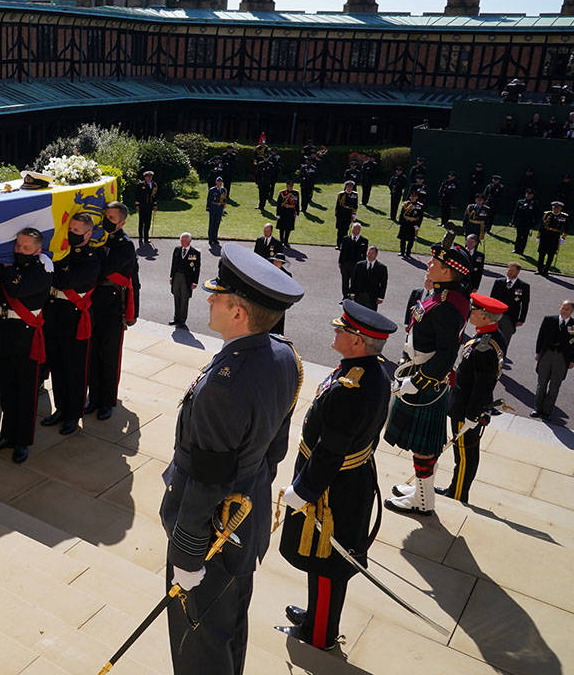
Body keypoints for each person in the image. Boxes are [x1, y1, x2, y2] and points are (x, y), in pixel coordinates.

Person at [160, 244, 304, 675]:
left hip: (210, 538)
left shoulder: (227, 384)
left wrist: (187, 557)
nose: (208, 299)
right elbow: (274, 447)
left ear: (239, 313)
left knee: (198, 645)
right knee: (228, 632)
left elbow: (206, 477)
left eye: (218, 296)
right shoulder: (282, 354)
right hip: (244, 520)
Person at [280, 301, 395, 651]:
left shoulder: (351, 388)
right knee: (321, 560)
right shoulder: (365, 371)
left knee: (329, 563)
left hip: (333, 490)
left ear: (358, 341)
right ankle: (317, 615)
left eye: (341, 330)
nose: (335, 332)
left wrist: (303, 491)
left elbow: (330, 451)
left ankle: (320, 635)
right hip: (345, 482)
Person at [385, 245, 473, 516]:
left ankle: (423, 502)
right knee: (423, 446)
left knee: (424, 447)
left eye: (435, 262)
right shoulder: (445, 295)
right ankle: (423, 492)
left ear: (448, 272)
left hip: (425, 380)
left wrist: (416, 381)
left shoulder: (448, 306)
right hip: (421, 372)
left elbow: (446, 354)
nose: (429, 263)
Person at [436, 294, 507, 504]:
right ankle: (456, 487)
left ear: (485, 316)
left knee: (465, 456)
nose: (471, 313)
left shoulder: (484, 347)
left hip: (466, 407)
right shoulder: (489, 337)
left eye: (475, 311)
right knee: (465, 454)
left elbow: (482, 385)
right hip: (466, 402)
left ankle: (458, 492)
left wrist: (472, 415)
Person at [0, 228, 54, 464]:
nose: (18, 250)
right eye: (17, 246)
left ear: (38, 251)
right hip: (6, 332)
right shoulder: (13, 267)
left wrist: (7, 270)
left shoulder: (42, 270)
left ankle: (22, 441)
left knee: (25, 391)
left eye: (25, 248)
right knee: (6, 387)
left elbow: (17, 289)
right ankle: (7, 434)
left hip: (27, 335)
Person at [41, 213, 102, 435]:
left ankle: (73, 415)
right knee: (57, 366)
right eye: (71, 229)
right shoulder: (62, 254)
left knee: (75, 370)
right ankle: (61, 409)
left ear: (88, 234)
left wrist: (61, 265)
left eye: (77, 231)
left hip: (76, 319)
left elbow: (68, 280)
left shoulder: (92, 258)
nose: (72, 234)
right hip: (56, 314)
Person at [87, 202, 140, 421]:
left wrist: (133, 312)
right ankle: (94, 397)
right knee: (92, 352)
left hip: (112, 303)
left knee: (109, 355)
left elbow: (104, 270)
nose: (107, 220)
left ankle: (107, 401)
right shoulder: (98, 239)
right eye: (105, 216)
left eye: (112, 217)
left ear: (122, 222)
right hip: (93, 302)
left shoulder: (125, 245)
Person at [532, 299, 574, 420]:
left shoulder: (573, 325)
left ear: (572, 311)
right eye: (563, 307)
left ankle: (547, 411)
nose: (564, 311)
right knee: (541, 384)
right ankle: (537, 408)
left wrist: (572, 360)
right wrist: (538, 352)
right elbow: (541, 336)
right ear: (559, 307)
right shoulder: (549, 320)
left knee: (555, 386)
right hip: (546, 355)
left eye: (568, 309)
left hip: (562, 359)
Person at [490, 263, 530, 363]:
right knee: (492, 338)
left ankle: (499, 361)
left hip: (510, 318)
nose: (509, 272)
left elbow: (525, 304)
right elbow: (491, 299)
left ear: (518, 272)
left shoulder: (523, 286)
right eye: (508, 270)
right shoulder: (499, 282)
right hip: (496, 316)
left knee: (504, 340)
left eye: (512, 270)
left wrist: (522, 319)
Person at [169, 232, 200, 328]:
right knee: (176, 296)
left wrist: (195, 282)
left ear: (189, 241)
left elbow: (196, 268)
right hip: (177, 276)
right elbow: (173, 264)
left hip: (187, 279)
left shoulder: (194, 253)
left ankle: (182, 320)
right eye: (181, 240)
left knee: (184, 299)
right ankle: (176, 318)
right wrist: (171, 277)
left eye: (184, 240)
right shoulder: (177, 250)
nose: (182, 242)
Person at [537, 200, 568, 276]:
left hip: (555, 237)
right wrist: (538, 236)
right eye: (554, 207)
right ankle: (539, 269)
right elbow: (541, 226)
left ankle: (546, 270)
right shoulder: (547, 214)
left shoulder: (564, 216)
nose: (555, 209)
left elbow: (566, 228)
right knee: (541, 254)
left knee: (551, 255)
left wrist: (563, 238)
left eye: (557, 208)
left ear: (560, 209)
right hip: (545, 236)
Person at [350, 245, 387, 310]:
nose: (369, 255)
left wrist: (381, 297)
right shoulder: (359, 265)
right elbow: (353, 280)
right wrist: (352, 292)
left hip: (372, 297)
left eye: (372, 253)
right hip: (359, 296)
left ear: (376, 254)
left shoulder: (382, 268)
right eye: (368, 253)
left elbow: (383, 284)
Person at [337, 222, 368, 298]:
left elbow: (364, 255)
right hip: (346, 264)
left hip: (356, 265)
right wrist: (340, 262)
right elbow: (342, 252)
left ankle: (351, 296)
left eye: (357, 229)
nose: (355, 230)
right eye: (354, 228)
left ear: (360, 230)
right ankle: (345, 296)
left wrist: (363, 266)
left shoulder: (364, 241)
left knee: (354, 282)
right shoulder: (345, 239)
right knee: (345, 281)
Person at [511, 188, 539, 255]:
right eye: (527, 194)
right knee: (518, 236)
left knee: (524, 237)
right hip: (520, 221)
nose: (528, 195)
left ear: (532, 195)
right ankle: (516, 249)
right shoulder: (520, 202)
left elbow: (536, 214)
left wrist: (534, 223)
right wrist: (513, 221)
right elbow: (516, 212)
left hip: (528, 223)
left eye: (530, 194)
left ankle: (521, 250)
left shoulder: (534, 203)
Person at [135, 169, 158, 247]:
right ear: (145, 177)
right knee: (141, 223)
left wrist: (155, 205)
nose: (149, 178)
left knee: (148, 223)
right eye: (147, 177)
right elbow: (137, 195)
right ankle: (140, 238)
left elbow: (154, 196)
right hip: (142, 206)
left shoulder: (154, 184)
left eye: (150, 176)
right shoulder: (141, 185)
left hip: (149, 206)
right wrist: (137, 205)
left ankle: (146, 238)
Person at [333, 182, 359, 250]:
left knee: (345, 230)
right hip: (341, 214)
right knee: (339, 230)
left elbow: (355, 205)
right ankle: (338, 244)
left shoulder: (355, 195)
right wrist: (336, 214)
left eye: (351, 187)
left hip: (348, 214)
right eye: (348, 187)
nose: (349, 188)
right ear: (346, 187)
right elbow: (337, 205)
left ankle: (344, 244)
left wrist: (354, 214)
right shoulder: (341, 194)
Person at [398, 191, 424, 258]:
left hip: (413, 224)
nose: (413, 198)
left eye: (414, 197)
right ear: (410, 197)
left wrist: (417, 225)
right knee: (403, 239)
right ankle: (402, 251)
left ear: (417, 197)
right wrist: (400, 223)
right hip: (405, 223)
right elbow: (401, 214)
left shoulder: (420, 206)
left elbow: (420, 217)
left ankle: (408, 252)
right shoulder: (406, 204)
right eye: (412, 196)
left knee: (411, 240)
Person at [276, 181, 300, 247]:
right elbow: (278, 204)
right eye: (289, 186)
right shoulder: (282, 193)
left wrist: (297, 213)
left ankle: (286, 241)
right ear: (286, 186)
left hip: (291, 213)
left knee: (288, 228)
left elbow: (297, 203)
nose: (290, 187)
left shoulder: (296, 193)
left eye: (291, 186)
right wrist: (278, 214)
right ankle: (281, 241)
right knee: (281, 228)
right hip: (283, 212)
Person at [206, 176, 227, 246]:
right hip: (213, 207)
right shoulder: (212, 190)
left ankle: (215, 238)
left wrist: (224, 207)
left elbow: (224, 199)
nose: (220, 183)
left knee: (217, 224)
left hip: (219, 208)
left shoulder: (223, 190)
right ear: (216, 182)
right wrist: (208, 208)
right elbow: (209, 199)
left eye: (221, 182)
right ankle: (210, 239)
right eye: (218, 181)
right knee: (212, 224)